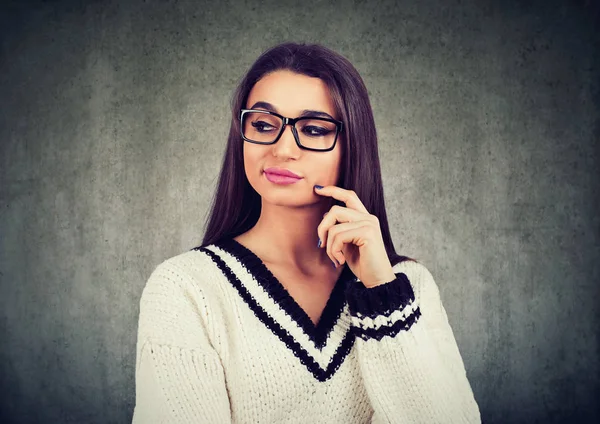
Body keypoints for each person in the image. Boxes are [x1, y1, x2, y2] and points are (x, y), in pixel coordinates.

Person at [132, 42, 481, 423]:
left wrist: (382, 291)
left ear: (352, 146)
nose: (283, 150)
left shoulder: (410, 286)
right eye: (263, 125)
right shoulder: (187, 287)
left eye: (314, 129)